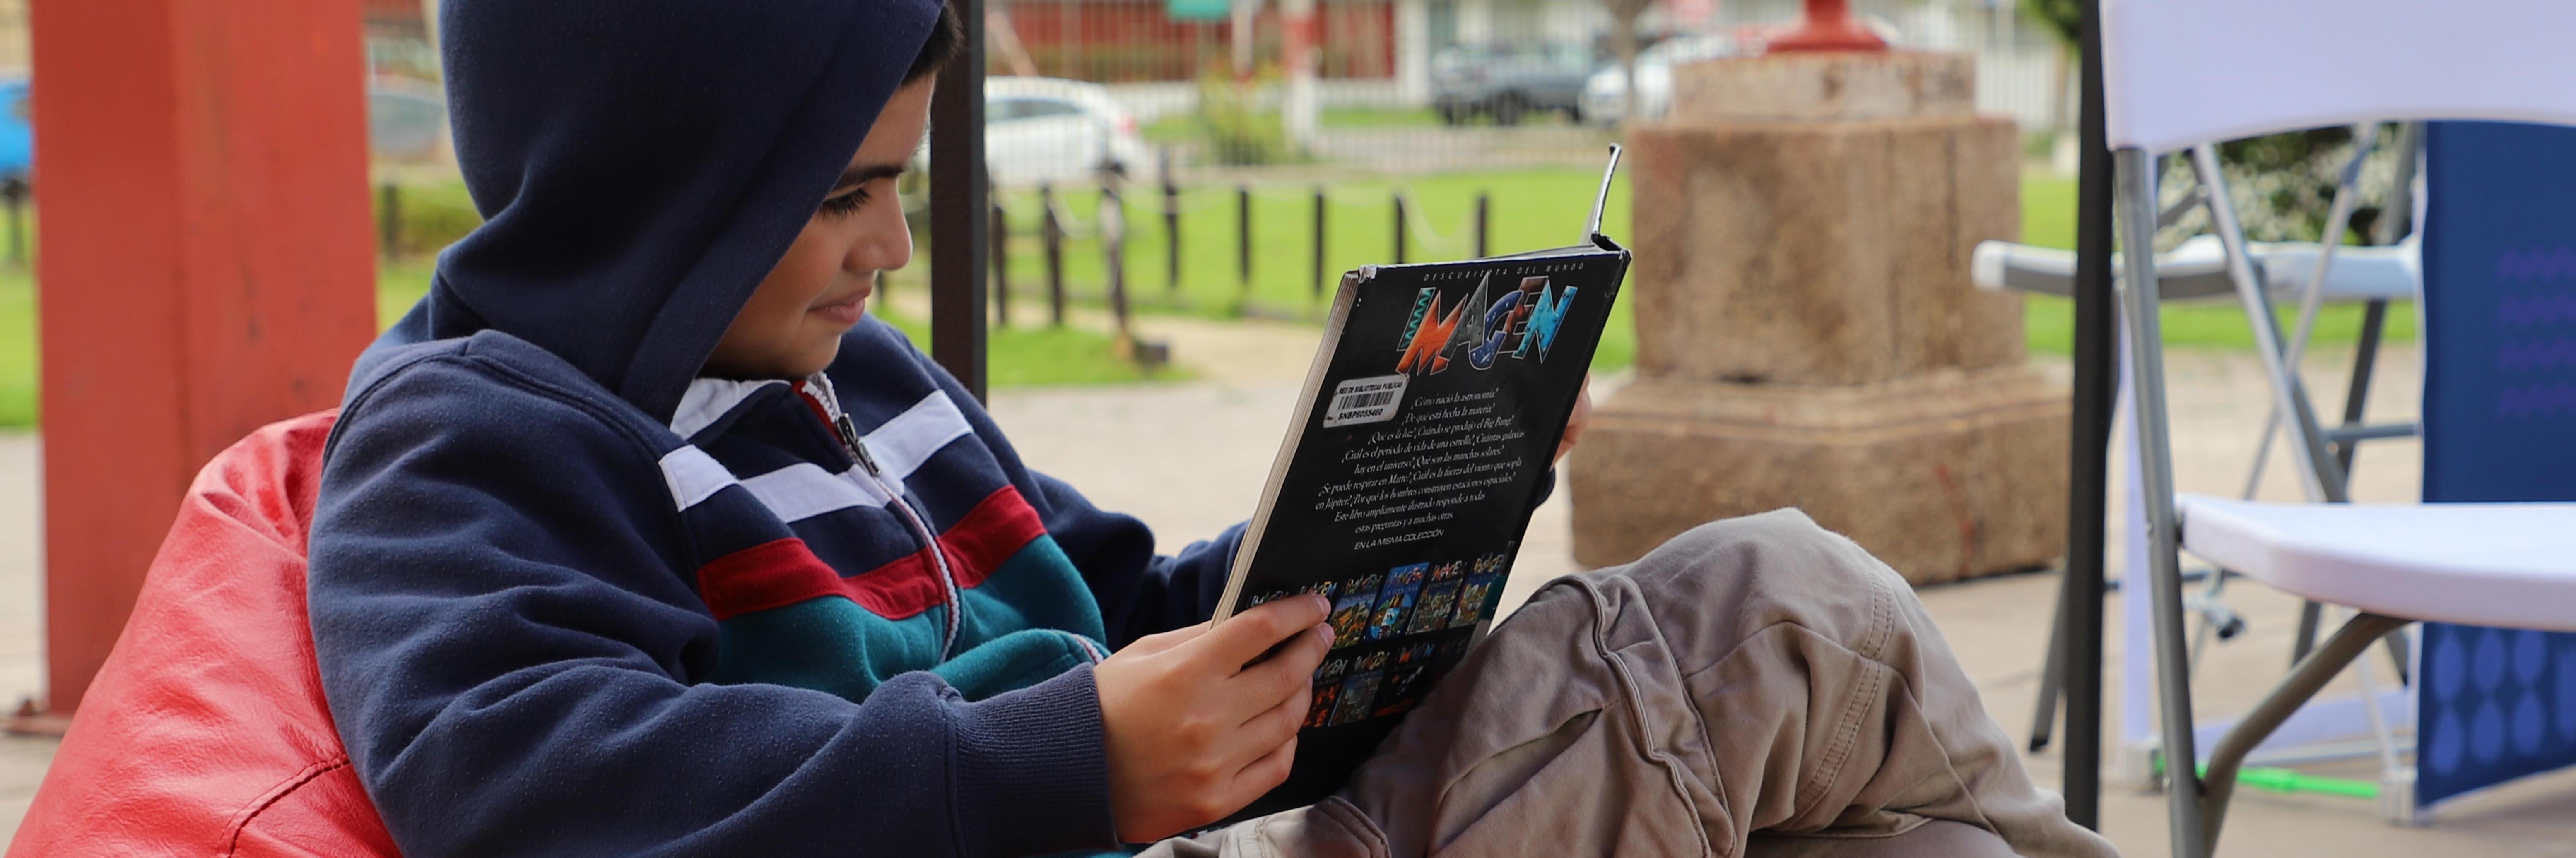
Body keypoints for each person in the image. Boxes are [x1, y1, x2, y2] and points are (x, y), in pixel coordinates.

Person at [308, 1, 2118, 856]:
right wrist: (1057, 764)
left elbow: (1137, 608)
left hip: (1236, 822)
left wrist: (1413, 493)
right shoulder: (480, 433)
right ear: (664, 182)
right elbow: (526, 778)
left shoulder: (869, 388)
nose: (886, 242)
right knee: (1774, 609)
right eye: (840, 190)